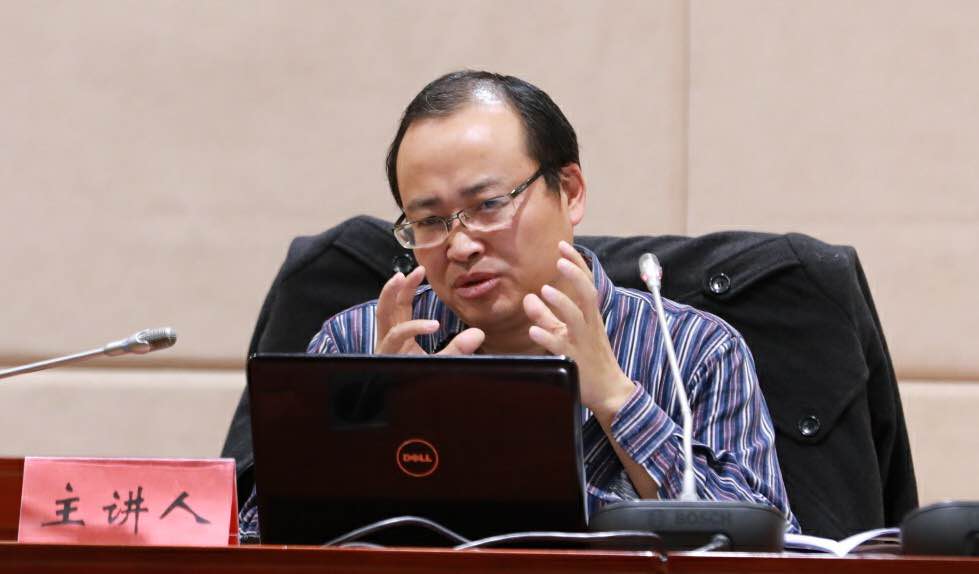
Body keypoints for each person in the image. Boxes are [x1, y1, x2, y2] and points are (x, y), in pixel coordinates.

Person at [239, 70, 799, 537]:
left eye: (488, 205)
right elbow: (257, 538)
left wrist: (615, 399)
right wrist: (383, 440)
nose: (460, 246)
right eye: (429, 221)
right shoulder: (355, 347)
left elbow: (772, 551)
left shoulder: (693, 352)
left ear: (570, 192)